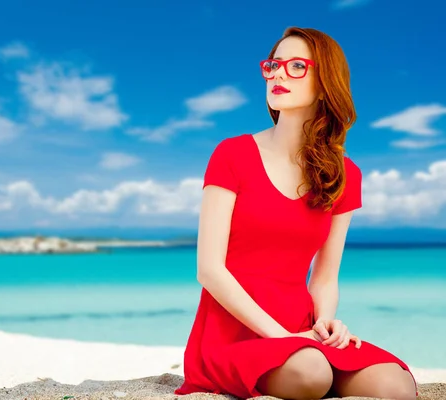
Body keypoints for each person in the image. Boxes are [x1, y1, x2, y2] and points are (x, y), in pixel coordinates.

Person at [175, 27, 418, 400]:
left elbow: (324, 278)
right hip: (230, 334)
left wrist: (325, 324)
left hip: (302, 331)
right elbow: (209, 270)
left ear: (325, 83)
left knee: (396, 385)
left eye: (296, 66)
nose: (277, 74)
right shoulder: (232, 154)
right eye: (273, 65)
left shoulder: (345, 174)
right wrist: (283, 338)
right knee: (312, 373)